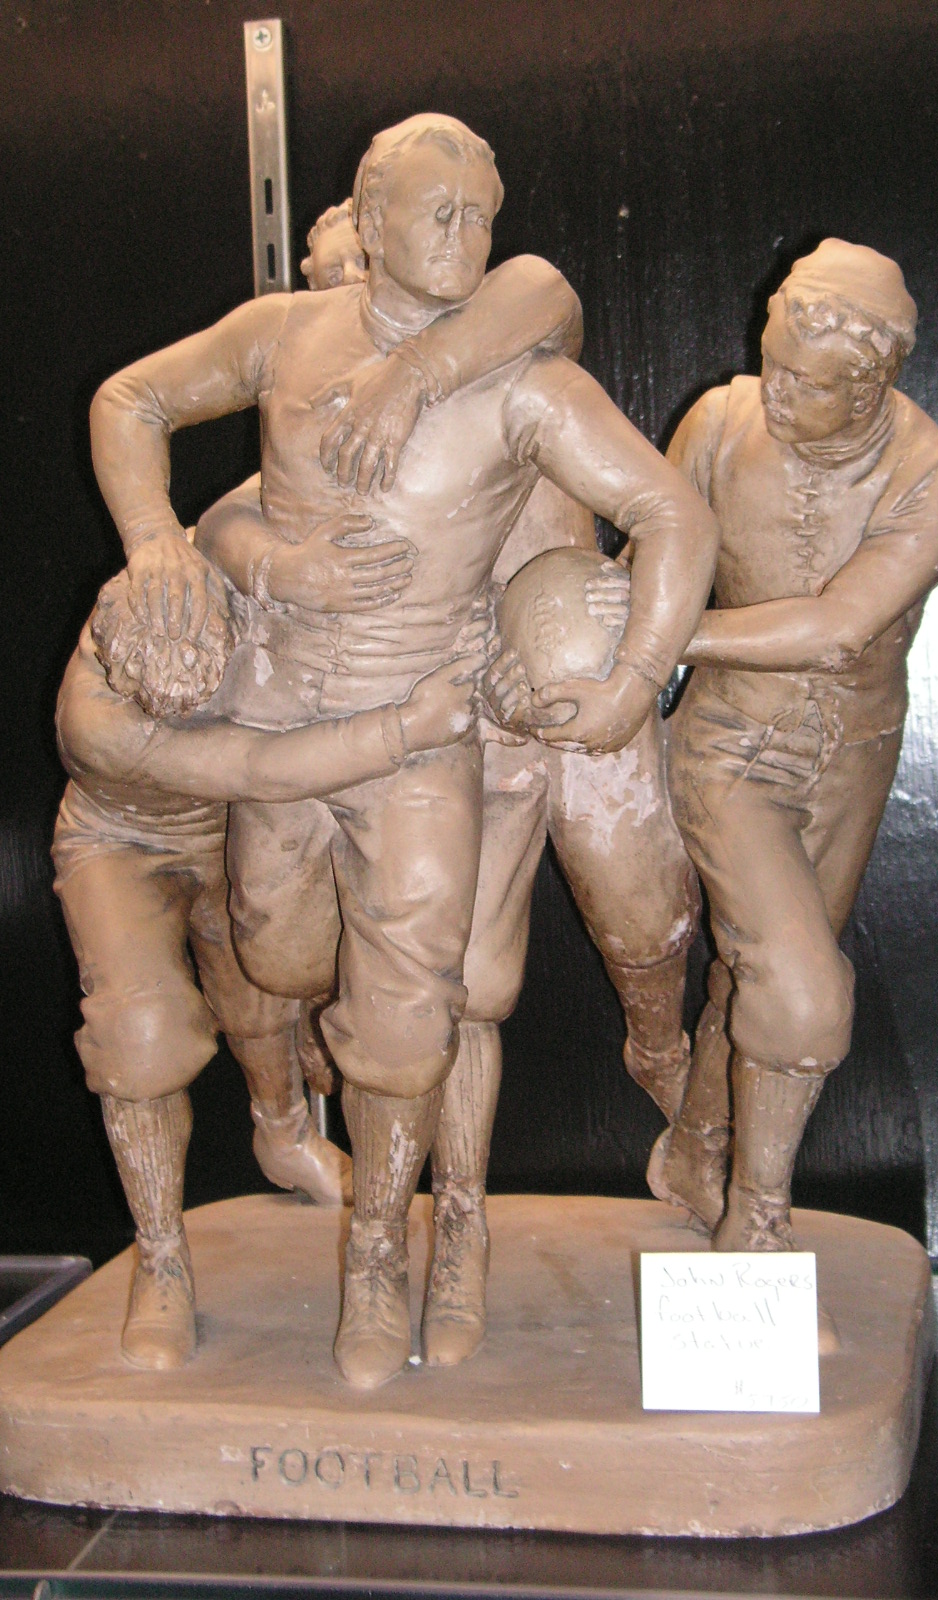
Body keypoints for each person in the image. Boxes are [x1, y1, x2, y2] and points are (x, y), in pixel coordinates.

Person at [89, 112, 718, 1388]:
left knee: (410, 1018)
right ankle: (310, 1134)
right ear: (369, 224)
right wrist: (157, 540)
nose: (465, 237)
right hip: (284, 720)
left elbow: (671, 510)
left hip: (429, 734)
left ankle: (382, 1251)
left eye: (481, 215)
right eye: (439, 213)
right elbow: (131, 397)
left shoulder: (526, 381)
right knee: (277, 953)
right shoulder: (289, 333)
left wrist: (636, 677)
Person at [55, 567, 483, 1369]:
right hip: (124, 840)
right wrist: (405, 727)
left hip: (241, 821)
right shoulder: (97, 719)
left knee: (261, 998)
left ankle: (283, 1133)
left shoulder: (214, 564)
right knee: (140, 1034)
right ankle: (160, 1255)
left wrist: (308, 556)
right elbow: (258, 764)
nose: (184, 703)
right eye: (166, 700)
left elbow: (266, 528)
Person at [654, 239, 938, 1253]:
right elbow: (647, 557)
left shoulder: (936, 482)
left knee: (753, 974)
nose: (778, 393)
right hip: (730, 745)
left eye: (809, 383)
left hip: (852, 758)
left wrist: (663, 636)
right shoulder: (721, 422)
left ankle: (695, 1149)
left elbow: (840, 628)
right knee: (801, 991)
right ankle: (757, 1219)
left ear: (872, 384)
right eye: (773, 364)